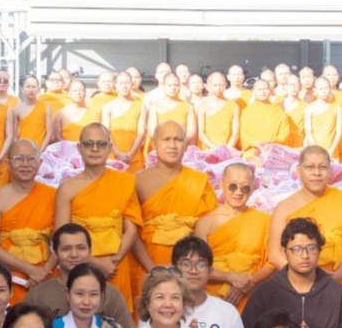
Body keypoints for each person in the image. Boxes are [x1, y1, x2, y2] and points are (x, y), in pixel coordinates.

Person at [244, 218, 342, 328]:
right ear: (285, 251)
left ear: (320, 251)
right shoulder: (265, 292)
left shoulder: (337, 293)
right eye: (297, 249)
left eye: (311, 248)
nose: (305, 255)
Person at [54, 124, 144, 306]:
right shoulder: (67, 188)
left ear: (110, 148)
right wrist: (93, 262)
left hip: (116, 265)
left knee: (117, 314)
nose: (95, 149)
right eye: (89, 144)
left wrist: (114, 260)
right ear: (79, 148)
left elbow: (131, 229)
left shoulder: (124, 182)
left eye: (101, 144)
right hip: (78, 266)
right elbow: (61, 237)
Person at [267, 145, 342, 282]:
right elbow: (274, 254)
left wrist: (334, 276)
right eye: (310, 167)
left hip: (334, 282)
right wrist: (303, 276)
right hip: (295, 283)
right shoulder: (284, 208)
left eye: (323, 167)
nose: (317, 173)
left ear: (330, 170)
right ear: (299, 170)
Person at [135, 120, 215, 275]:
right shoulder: (137, 181)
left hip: (190, 269)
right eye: (166, 139)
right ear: (153, 143)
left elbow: (209, 230)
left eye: (178, 140)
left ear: (186, 145)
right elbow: (130, 232)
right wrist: (153, 270)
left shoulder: (199, 181)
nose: (172, 145)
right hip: (146, 267)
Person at [23, 223, 134, 328]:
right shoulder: (38, 294)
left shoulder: (109, 293)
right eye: (66, 249)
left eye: (81, 248)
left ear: (90, 251)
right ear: (55, 253)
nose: (74, 255)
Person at [193, 163, 272, 307]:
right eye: (232, 186)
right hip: (214, 297)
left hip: (252, 295)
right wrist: (229, 277)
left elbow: (272, 262)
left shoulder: (265, 220)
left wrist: (249, 282)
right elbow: (198, 265)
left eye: (245, 188)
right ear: (221, 185)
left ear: (253, 188)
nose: (238, 192)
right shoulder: (206, 223)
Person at [0, 139, 57, 291]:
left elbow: (62, 241)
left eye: (31, 158)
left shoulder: (53, 195)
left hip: (46, 276)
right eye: (18, 159)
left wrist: (43, 272)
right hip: (8, 277)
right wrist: (31, 270)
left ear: (40, 162)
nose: (25, 164)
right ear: (8, 164)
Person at [237, 74, 295, 158]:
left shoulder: (278, 111)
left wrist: (269, 144)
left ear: (270, 90)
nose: (263, 92)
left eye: (265, 89)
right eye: (259, 89)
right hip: (252, 152)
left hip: (273, 152)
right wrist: (256, 145)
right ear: (254, 91)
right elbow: (243, 134)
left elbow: (284, 133)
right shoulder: (246, 111)